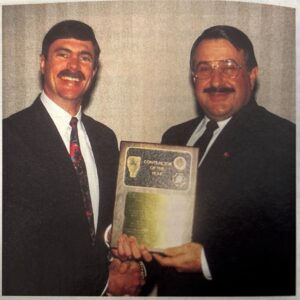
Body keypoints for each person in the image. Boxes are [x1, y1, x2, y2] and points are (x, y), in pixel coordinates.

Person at [114, 25, 296, 296]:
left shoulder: (284, 139)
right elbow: (160, 232)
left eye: (229, 66)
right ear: (193, 77)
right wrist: (137, 265)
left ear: (252, 75)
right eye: (205, 68)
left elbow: (288, 242)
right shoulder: (175, 135)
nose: (216, 79)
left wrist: (207, 260)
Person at [3, 20, 144, 296]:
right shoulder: (8, 137)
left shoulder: (105, 138)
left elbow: (95, 222)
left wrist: (114, 238)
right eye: (62, 54)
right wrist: (104, 282)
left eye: (85, 57)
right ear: (43, 63)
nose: (73, 66)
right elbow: (16, 250)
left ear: (94, 70)